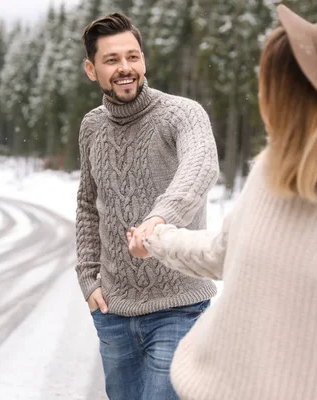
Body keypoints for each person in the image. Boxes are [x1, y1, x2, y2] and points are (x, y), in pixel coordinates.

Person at [134, 5, 317, 400]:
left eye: (280, 83)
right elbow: (222, 252)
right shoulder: (272, 171)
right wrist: (158, 238)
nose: (268, 96)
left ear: (301, 97)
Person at [75, 12, 219, 400]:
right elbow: (89, 205)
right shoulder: (91, 127)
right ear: (92, 69)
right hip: (115, 315)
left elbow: (201, 165)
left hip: (180, 309)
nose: (126, 68)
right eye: (112, 60)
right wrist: (89, 279)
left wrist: (159, 219)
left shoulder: (181, 113)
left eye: (133, 56)